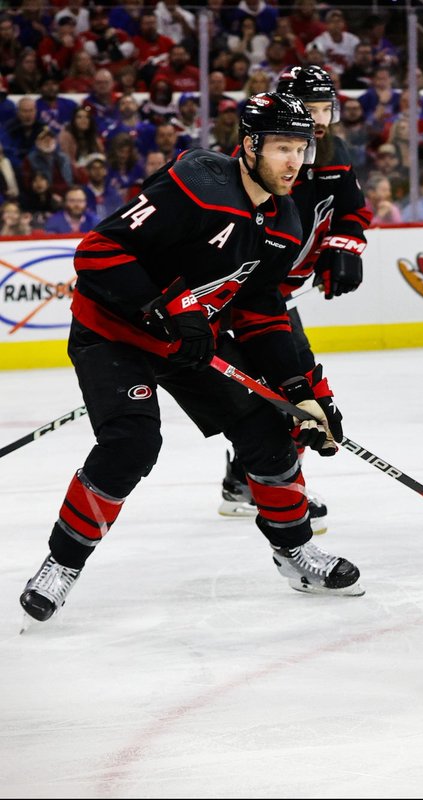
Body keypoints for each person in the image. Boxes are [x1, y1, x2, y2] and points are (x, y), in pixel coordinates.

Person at [18, 92, 363, 626]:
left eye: (302, 148)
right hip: (113, 331)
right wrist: (160, 313)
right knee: (131, 443)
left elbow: (262, 312)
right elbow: (97, 252)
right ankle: (60, 564)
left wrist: (300, 390)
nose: (295, 162)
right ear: (249, 145)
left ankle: (294, 553)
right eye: (281, 148)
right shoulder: (196, 183)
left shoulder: (284, 221)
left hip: (190, 341)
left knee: (270, 433)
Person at [217, 66, 372, 529]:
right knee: (296, 384)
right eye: (311, 108)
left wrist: (343, 250)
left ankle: (243, 483)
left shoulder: (335, 153)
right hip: (248, 292)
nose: (320, 119)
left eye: (327, 108)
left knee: (290, 383)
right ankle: (279, 486)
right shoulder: (261, 158)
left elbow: (351, 212)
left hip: (280, 292)